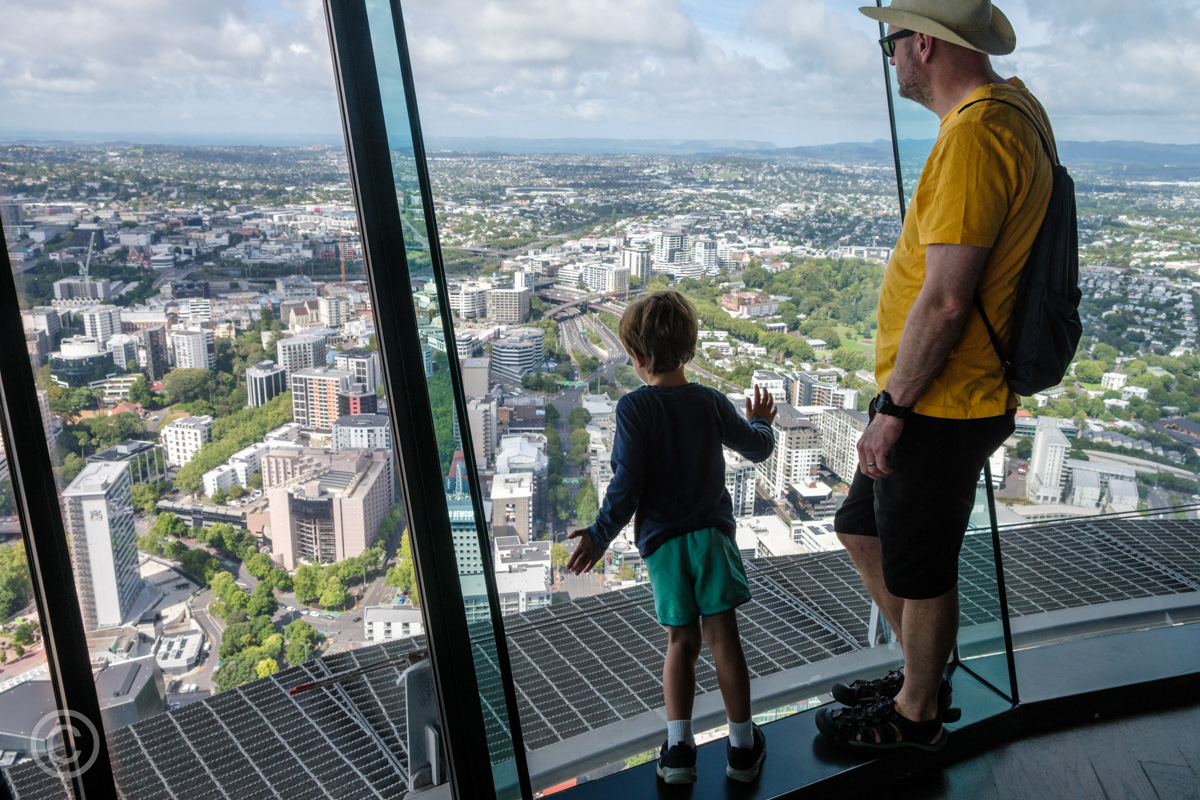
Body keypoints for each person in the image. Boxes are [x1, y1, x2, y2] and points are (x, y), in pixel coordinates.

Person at [815, 0, 1057, 752]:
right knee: (861, 527)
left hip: (942, 400)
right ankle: (925, 673)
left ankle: (916, 717)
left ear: (923, 43)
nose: (889, 60)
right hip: (946, 395)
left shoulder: (978, 133)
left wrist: (893, 406)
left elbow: (948, 299)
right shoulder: (1015, 110)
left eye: (891, 43)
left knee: (922, 570)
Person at [566, 290, 776, 785]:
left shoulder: (634, 409)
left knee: (681, 642)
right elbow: (758, 448)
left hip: (663, 545)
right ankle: (742, 749)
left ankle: (679, 752)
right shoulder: (708, 400)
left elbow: (626, 486)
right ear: (691, 348)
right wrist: (761, 420)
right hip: (713, 537)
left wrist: (599, 536)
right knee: (725, 640)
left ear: (637, 358)